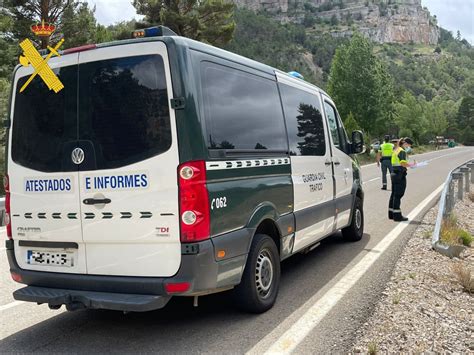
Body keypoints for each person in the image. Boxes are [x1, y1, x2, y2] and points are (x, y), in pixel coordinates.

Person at [389, 137, 415, 221]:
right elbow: (403, 163)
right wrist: (412, 165)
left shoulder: (396, 149)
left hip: (394, 173)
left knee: (394, 194)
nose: (409, 147)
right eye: (409, 145)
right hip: (400, 175)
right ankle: (397, 216)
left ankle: (391, 214)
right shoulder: (402, 151)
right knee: (398, 194)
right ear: (406, 144)